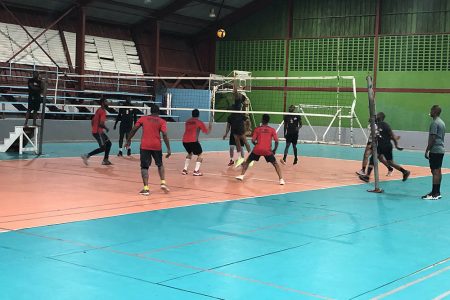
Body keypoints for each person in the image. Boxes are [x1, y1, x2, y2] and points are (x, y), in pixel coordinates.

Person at [126, 105, 171, 196]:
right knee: (160, 164)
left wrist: (128, 140)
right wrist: (168, 148)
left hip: (145, 146)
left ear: (150, 111)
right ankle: (163, 182)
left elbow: (134, 129)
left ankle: (146, 189)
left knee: (144, 167)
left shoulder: (143, 119)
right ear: (158, 112)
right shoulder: (162, 121)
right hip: (156, 146)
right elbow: (165, 134)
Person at [358, 112, 410, 183]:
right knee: (390, 162)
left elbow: (392, 136)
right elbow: (393, 136)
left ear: (380, 117)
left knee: (373, 159)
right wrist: (396, 146)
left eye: (377, 115)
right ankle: (405, 172)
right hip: (388, 146)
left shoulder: (378, 126)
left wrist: (396, 145)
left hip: (381, 145)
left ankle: (367, 177)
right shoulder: (385, 125)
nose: (376, 116)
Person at [235, 114, 285, 185]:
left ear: (262, 120)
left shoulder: (257, 129)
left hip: (257, 150)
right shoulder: (272, 130)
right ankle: (281, 180)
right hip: (267, 151)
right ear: (268, 121)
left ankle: (241, 175)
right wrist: (274, 150)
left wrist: (257, 145)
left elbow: (252, 140)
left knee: (248, 161)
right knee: (275, 164)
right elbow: (277, 141)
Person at [423, 105, 446, 200]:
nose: (430, 112)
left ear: (435, 112)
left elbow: (433, 138)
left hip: (435, 150)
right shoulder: (442, 122)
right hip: (441, 149)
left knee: (435, 171)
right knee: (438, 171)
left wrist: (427, 149)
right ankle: (436, 191)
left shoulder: (434, 123)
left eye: (431, 110)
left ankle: (435, 194)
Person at [81, 97, 112, 166]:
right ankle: (86, 155)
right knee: (103, 148)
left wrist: (94, 127)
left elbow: (93, 121)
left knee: (109, 143)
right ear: (103, 103)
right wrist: (106, 128)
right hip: (98, 132)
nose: (108, 103)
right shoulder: (103, 111)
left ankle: (105, 160)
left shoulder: (98, 110)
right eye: (106, 101)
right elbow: (101, 124)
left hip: (98, 131)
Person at [182, 109, 212, 176]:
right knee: (200, 154)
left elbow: (191, 131)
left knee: (189, 153)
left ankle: (184, 170)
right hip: (193, 141)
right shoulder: (199, 122)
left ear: (192, 114)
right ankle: (196, 171)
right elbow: (207, 132)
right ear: (198, 115)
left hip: (184, 141)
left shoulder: (187, 122)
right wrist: (210, 126)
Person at [228, 102, 252, 168]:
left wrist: (248, 128)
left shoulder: (241, 116)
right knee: (232, 147)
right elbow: (228, 126)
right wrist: (226, 133)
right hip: (233, 134)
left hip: (240, 133)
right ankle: (232, 160)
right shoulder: (230, 117)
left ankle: (243, 160)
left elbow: (248, 121)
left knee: (241, 147)